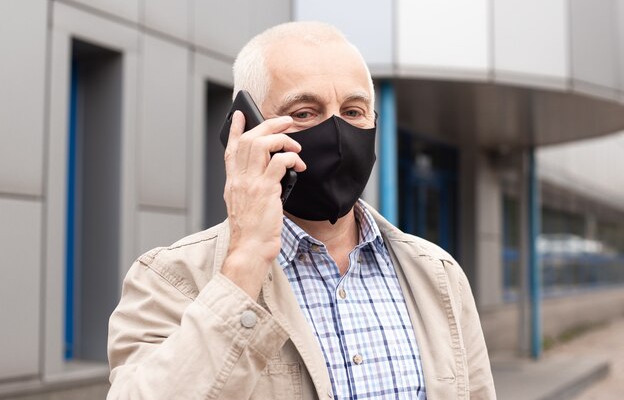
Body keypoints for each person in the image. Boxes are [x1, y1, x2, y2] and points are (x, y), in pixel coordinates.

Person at [107, 21, 496, 400]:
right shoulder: (169, 279)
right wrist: (243, 264)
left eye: (354, 111)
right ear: (247, 129)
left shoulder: (437, 275)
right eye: (305, 112)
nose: (339, 133)